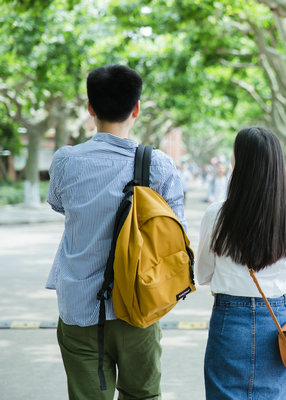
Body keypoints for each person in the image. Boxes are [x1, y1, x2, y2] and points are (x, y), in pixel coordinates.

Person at [46, 64, 186, 400]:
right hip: (139, 305)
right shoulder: (159, 166)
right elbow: (175, 234)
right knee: (142, 395)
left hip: (80, 309)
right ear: (136, 108)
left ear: (90, 109)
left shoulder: (66, 161)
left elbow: (59, 205)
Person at [196, 126, 286, 399]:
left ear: (239, 163)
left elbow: (202, 273)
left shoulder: (217, 215)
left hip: (229, 321)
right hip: (277, 322)